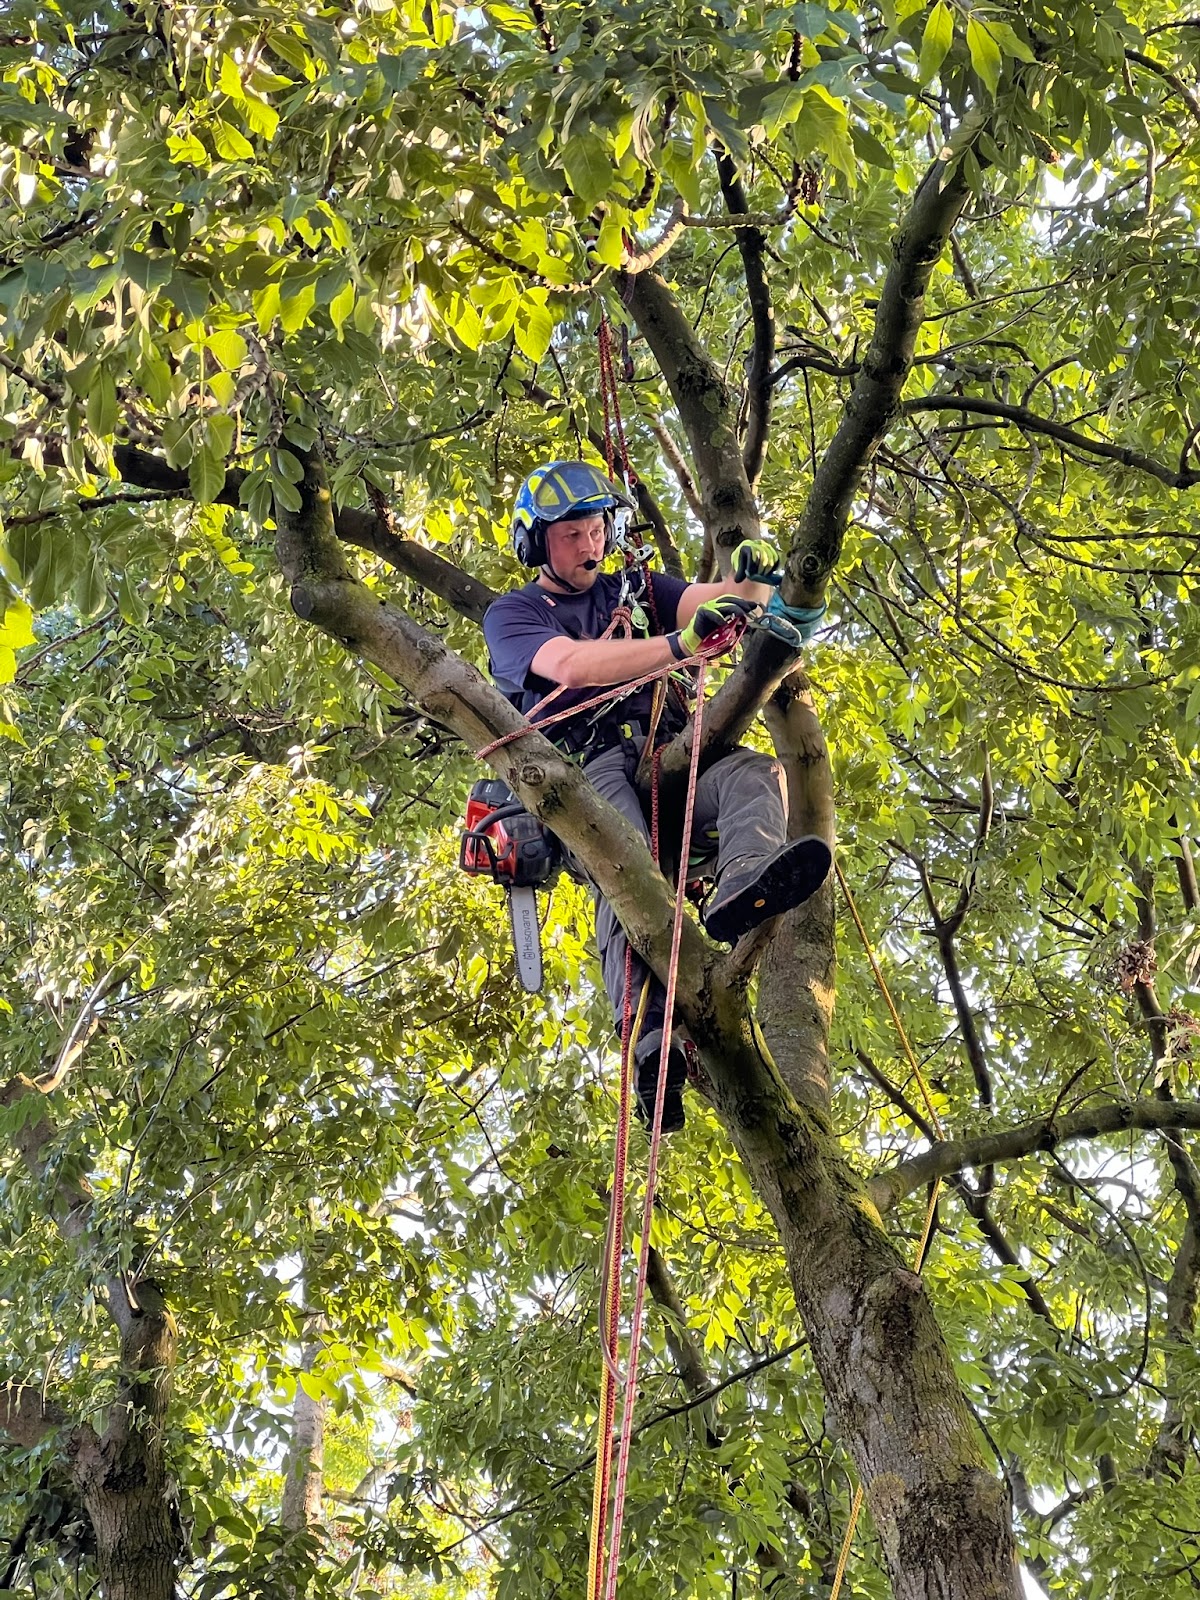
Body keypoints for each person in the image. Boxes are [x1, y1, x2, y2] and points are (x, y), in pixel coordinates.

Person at [483, 460, 832, 1131]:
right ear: (536, 544)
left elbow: (715, 602)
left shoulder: (636, 588)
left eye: (595, 530)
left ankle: (743, 881)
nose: (588, 545)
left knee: (756, 775)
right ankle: (650, 1041)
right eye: (570, 535)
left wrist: (755, 582)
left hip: (670, 756)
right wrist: (676, 645)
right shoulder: (515, 613)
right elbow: (571, 666)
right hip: (589, 764)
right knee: (627, 862)